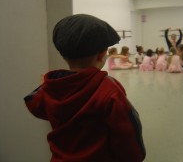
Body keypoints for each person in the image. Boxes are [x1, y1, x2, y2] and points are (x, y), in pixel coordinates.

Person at [24, 14, 146, 162]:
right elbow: (127, 132)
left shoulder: (52, 86)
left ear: (63, 55)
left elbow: (34, 104)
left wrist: (45, 85)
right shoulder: (108, 88)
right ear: (101, 56)